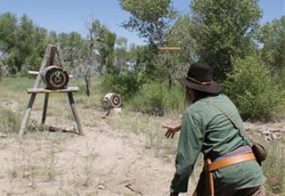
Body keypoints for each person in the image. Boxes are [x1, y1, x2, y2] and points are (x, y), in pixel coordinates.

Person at [163, 63, 265, 196]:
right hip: (253, 174)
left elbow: (186, 163)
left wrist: (175, 191)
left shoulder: (193, 112)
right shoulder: (225, 100)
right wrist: (180, 127)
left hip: (225, 176)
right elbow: (214, 120)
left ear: (190, 90)